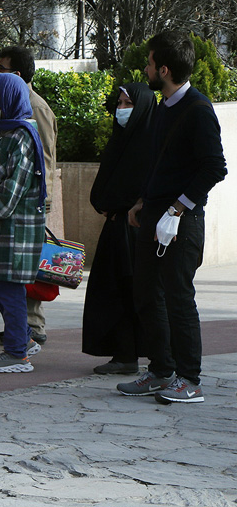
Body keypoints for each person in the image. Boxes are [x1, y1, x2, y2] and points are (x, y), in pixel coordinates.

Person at [117, 31, 227, 404]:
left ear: (163, 69)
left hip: (180, 222)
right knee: (146, 292)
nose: (145, 68)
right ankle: (161, 370)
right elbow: (161, 163)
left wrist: (178, 208)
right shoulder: (164, 108)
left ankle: (189, 379)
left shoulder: (198, 109)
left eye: (149, 63)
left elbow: (215, 167)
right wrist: (142, 201)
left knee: (179, 297)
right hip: (154, 215)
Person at [0, 72, 46, 373]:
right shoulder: (6, 132)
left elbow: (12, 188)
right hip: (2, 226)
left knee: (9, 286)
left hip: (13, 228)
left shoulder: (22, 137)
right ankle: (23, 340)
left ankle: (17, 353)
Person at [82, 83, 157, 374]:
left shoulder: (150, 142)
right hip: (115, 226)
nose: (122, 110)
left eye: (129, 104)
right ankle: (123, 354)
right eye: (120, 103)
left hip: (134, 230)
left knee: (131, 294)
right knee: (113, 293)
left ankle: (144, 357)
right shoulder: (122, 140)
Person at [0, 46, 56, 346]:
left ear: (16, 74)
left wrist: (42, 200)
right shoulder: (9, 106)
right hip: (18, 204)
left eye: (1, 69)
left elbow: (41, 156)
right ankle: (19, 326)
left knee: (25, 268)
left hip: (30, 203)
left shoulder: (35, 107)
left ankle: (32, 326)